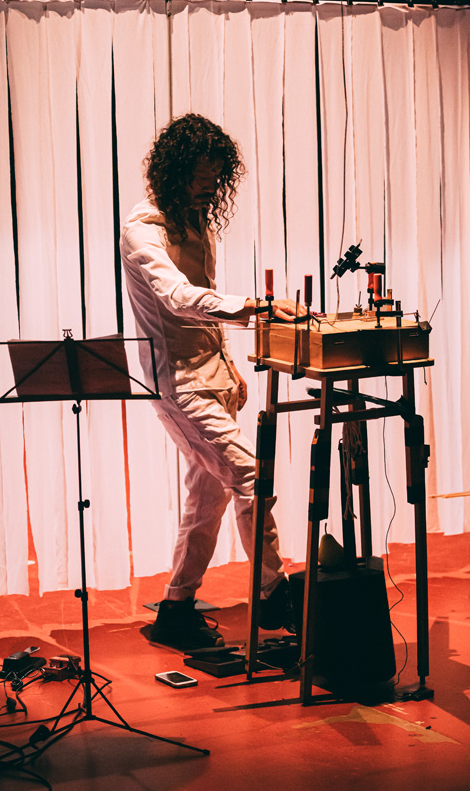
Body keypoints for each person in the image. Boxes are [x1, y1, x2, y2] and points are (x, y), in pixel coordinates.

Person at [120, 113, 296, 651]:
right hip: (178, 383)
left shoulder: (196, 223)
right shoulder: (143, 229)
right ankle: (275, 592)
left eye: (214, 179)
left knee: (208, 499)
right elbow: (178, 298)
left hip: (213, 377)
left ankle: (176, 609)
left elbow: (203, 298)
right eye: (199, 178)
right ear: (174, 172)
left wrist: (229, 363)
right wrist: (257, 307)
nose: (207, 188)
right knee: (250, 473)